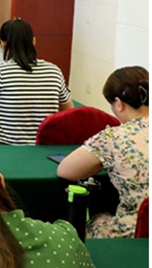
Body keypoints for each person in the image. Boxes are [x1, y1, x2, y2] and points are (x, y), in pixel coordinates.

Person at [58, 66, 149, 238]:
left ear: (118, 104)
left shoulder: (114, 137)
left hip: (133, 234)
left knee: (95, 219)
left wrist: (100, 164)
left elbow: (66, 171)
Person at [0, 18, 73, 145]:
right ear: (33, 41)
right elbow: (68, 112)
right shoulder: (54, 71)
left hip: (8, 147)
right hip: (46, 147)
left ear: (3, 43)